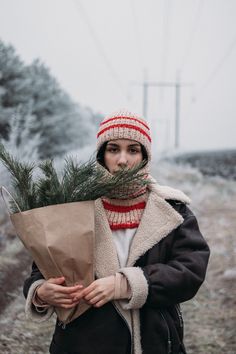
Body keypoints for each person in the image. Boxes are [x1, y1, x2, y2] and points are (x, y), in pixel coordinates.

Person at [23, 111, 210, 354]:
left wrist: (126, 285)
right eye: (113, 149)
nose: (123, 160)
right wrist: (41, 292)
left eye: (133, 150)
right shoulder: (73, 207)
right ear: (102, 156)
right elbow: (40, 268)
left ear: (144, 156)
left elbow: (190, 271)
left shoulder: (172, 209)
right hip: (83, 343)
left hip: (155, 343)